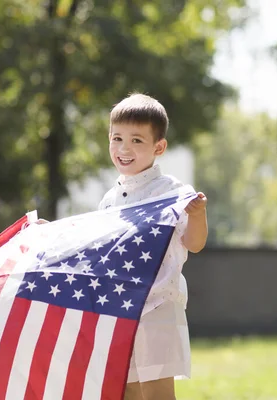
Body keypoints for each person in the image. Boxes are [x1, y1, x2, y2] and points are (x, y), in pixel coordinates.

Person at [97, 93, 208, 400]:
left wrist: (197, 216)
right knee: (126, 391)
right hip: (121, 310)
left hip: (159, 305)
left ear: (159, 147)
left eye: (136, 140)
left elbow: (194, 244)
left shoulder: (173, 193)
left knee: (157, 393)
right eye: (117, 138)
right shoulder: (108, 200)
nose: (124, 149)